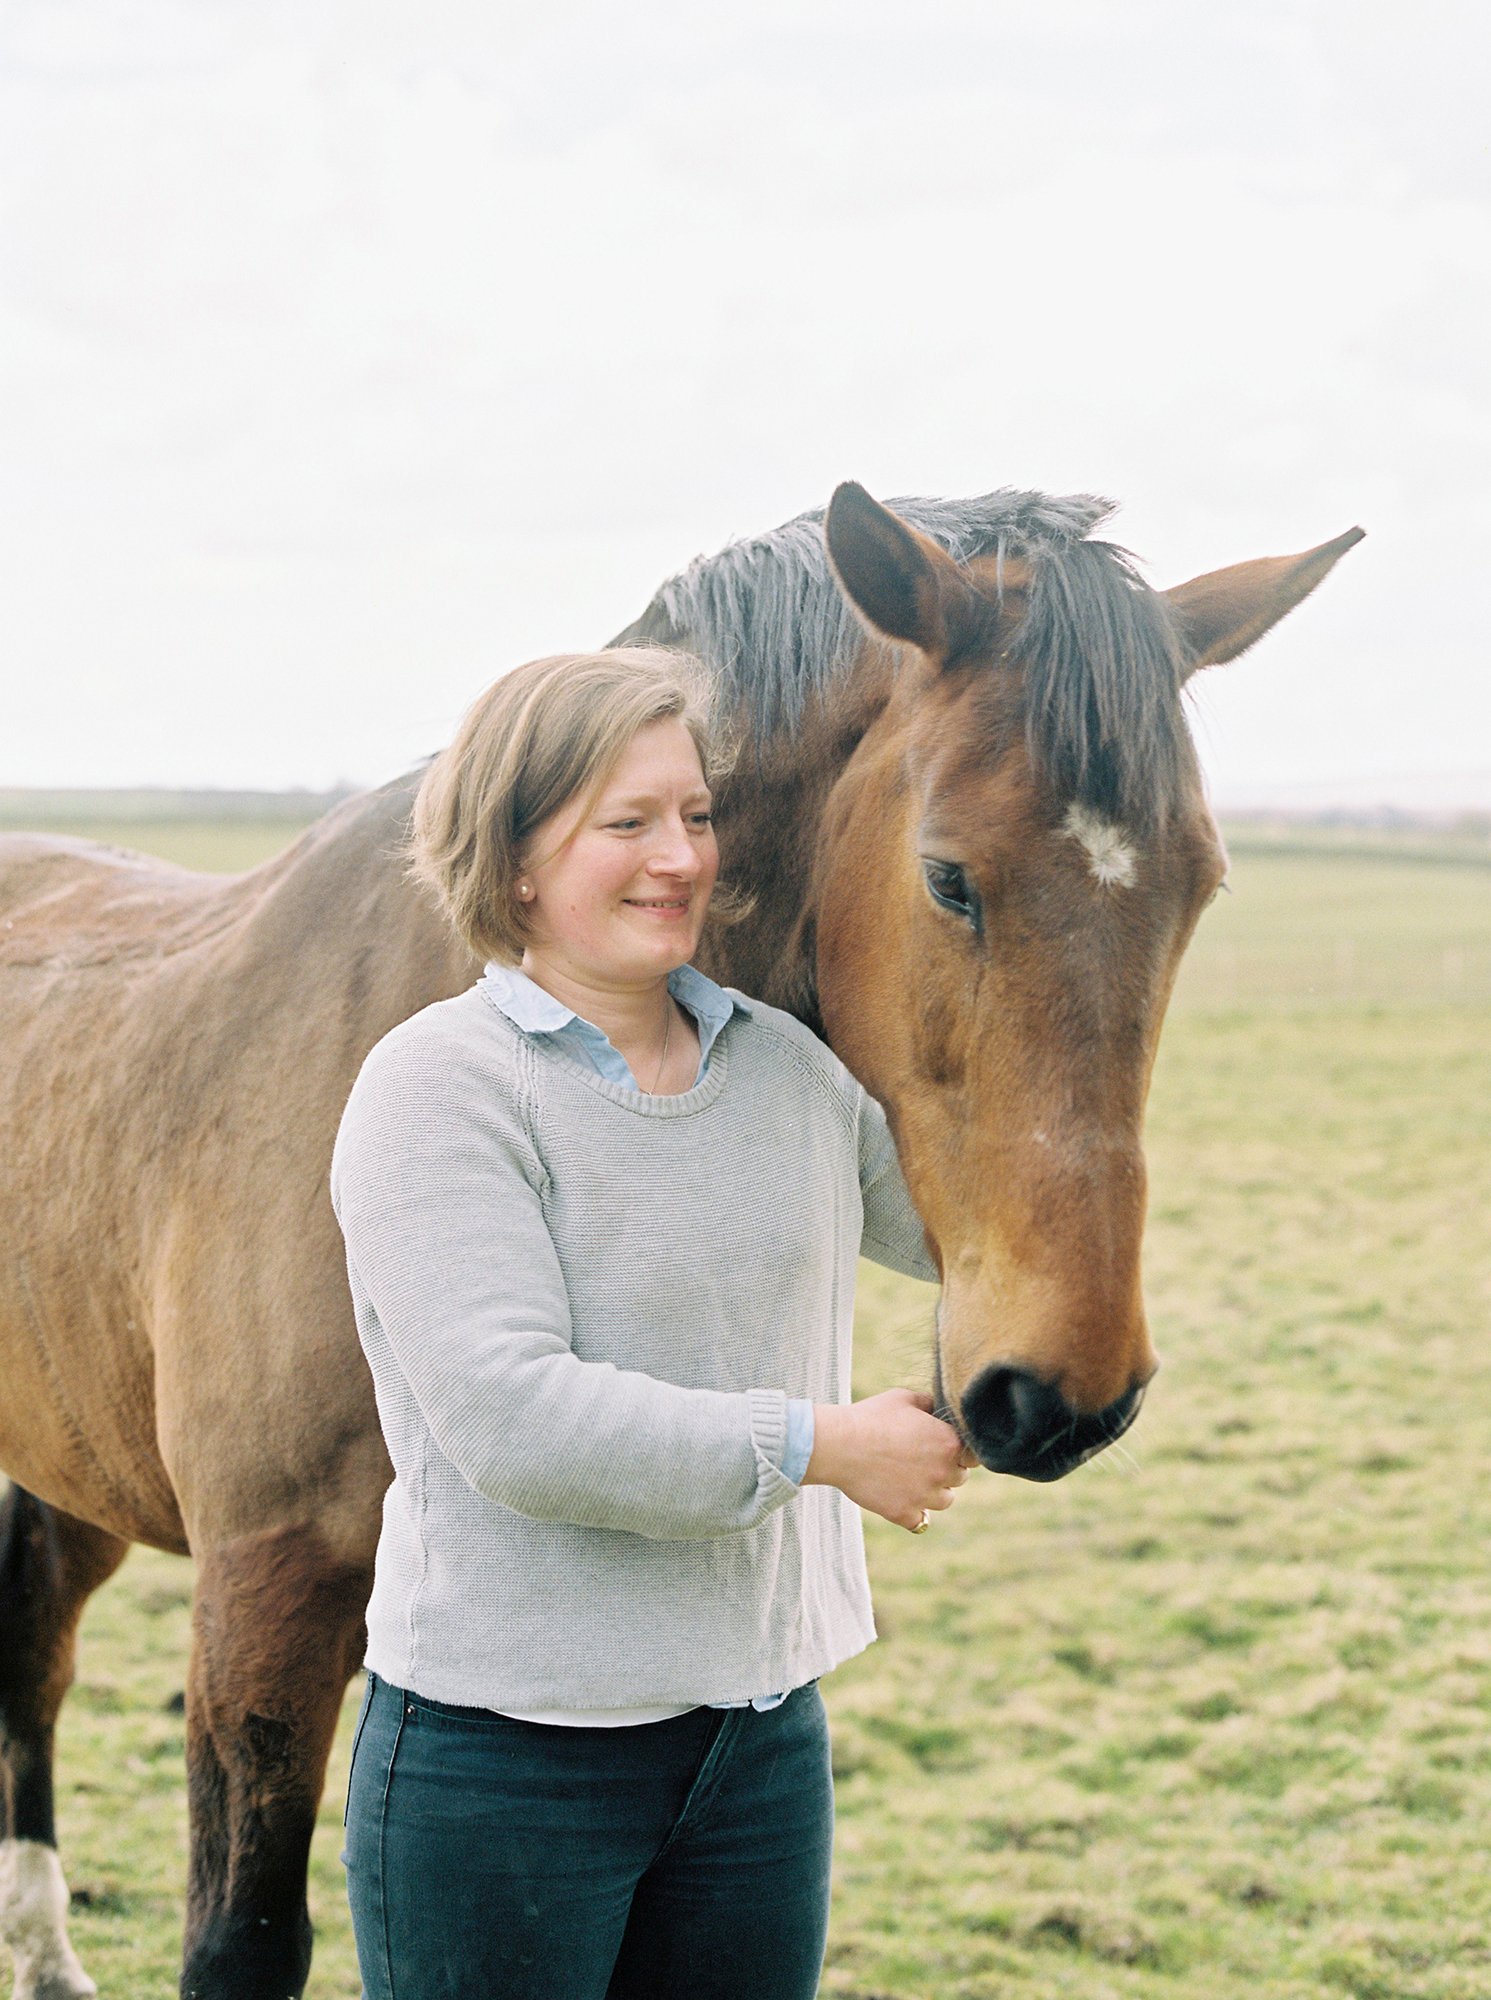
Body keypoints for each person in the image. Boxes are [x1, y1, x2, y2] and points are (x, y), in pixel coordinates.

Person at [331, 646, 971, 2000]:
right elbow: (520, 1421)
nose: (677, 857)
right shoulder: (439, 1089)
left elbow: (969, 1234)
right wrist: (827, 1446)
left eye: (693, 816)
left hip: (758, 1743)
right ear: (511, 860)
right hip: (507, 1758)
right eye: (625, 823)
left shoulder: (787, 1074)